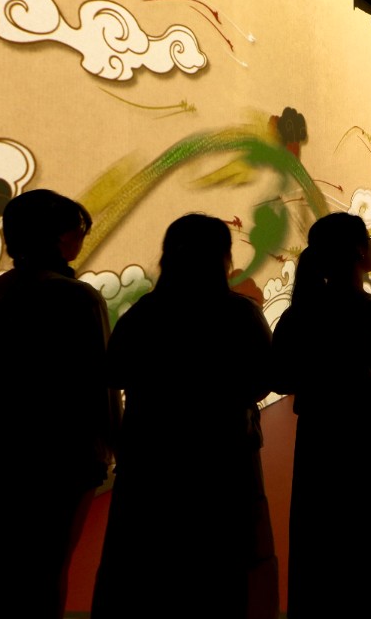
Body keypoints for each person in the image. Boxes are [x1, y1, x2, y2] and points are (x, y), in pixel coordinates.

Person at [91, 214, 277, 618]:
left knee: (150, 568)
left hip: (151, 457)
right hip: (226, 456)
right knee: (225, 569)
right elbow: (267, 379)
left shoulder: (143, 314)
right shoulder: (240, 314)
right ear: (223, 257)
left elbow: (115, 373)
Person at [0, 189, 119, 618]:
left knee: (7, 564)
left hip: (0, 452)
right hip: (67, 455)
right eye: (79, 230)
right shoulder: (79, 298)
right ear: (59, 238)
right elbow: (102, 381)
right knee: (50, 567)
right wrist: (117, 445)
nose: (81, 238)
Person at [270, 212, 371, 618]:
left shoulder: (297, 317)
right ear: (360, 251)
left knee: (323, 542)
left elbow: (281, 379)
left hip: (321, 442)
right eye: (370, 241)